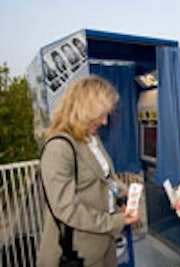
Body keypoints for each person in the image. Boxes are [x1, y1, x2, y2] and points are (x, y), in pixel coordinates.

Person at [37, 75, 140, 267]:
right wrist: (116, 221)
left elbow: (106, 179)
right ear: (83, 110)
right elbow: (67, 209)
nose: (104, 122)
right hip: (77, 251)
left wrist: (125, 191)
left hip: (104, 243)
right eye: (101, 114)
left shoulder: (92, 138)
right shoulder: (59, 147)